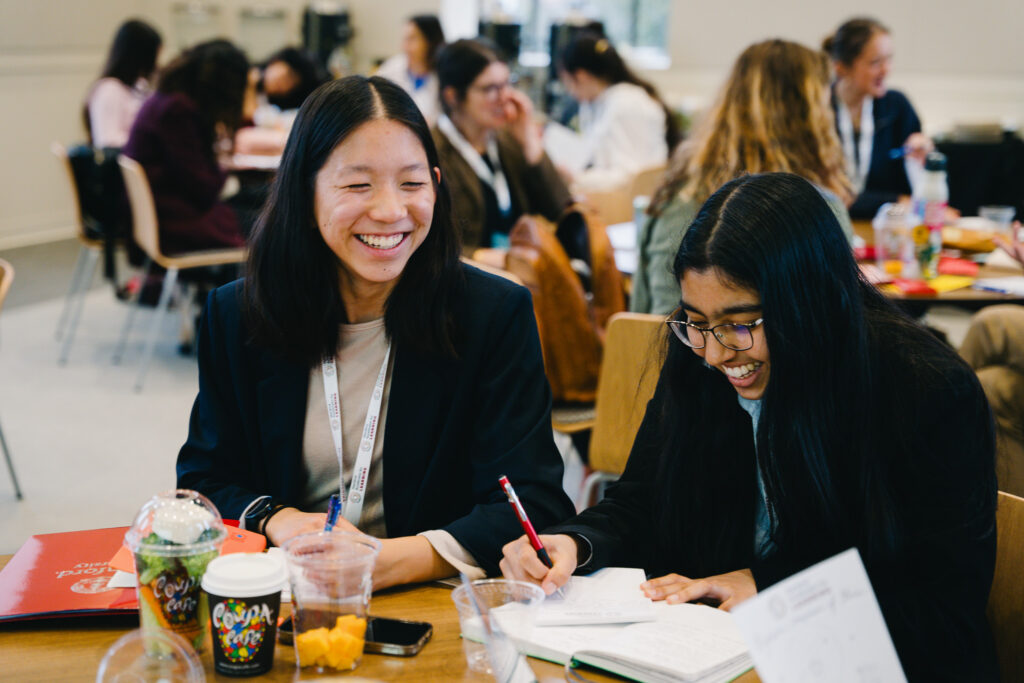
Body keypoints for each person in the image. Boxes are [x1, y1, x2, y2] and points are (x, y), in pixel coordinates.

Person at [501, 172, 998, 681]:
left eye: (741, 324)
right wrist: (575, 543)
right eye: (697, 321)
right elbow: (643, 500)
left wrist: (774, 589)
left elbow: (938, 604)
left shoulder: (926, 389)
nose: (716, 354)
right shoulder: (698, 353)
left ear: (807, 303)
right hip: (716, 657)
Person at [176, 75, 575, 589]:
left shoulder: (493, 314)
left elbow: (531, 500)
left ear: (436, 185)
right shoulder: (239, 315)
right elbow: (204, 481)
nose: (390, 211)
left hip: (438, 600)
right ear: (304, 191)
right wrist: (278, 518)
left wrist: (395, 560)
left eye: (412, 184)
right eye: (357, 185)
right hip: (290, 594)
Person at [633, 39, 854, 315]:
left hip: (659, 341)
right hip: (727, 344)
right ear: (812, 115)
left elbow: (639, 314)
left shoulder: (676, 193)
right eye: (827, 102)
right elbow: (837, 324)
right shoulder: (819, 209)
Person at [433, 38, 571, 251]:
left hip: (518, 265)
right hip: (471, 271)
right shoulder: (432, 152)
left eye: (507, 84)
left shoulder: (507, 140)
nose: (505, 96)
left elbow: (561, 214)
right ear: (452, 96)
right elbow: (431, 244)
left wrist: (531, 143)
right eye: (490, 88)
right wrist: (479, 258)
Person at [122, 40, 258, 254]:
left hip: (168, 213)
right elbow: (204, 188)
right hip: (177, 223)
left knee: (262, 198)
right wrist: (223, 161)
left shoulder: (165, 100)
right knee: (274, 218)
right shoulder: (177, 111)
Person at [824, 17, 932, 219]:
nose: (886, 70)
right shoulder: (818, 111)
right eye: (875, 62)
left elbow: (917, 193)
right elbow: (828, 195)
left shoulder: (897, 107)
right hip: (831, 225)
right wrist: (897, 201)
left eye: (888, 60)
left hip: (889, 226)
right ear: (841, 67)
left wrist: (923, 160)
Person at [557, 32, 680, 191]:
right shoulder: (598, 102)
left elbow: (629, 177)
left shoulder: (625, 104)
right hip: (618, 196)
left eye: (567, 82)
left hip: (630, 199)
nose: (570, 92)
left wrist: (576, 178)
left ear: (581, 76)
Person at [84, 19, 162, 149]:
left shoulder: (139, 87)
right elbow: (108, 142)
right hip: (119, 160)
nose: (156, 65)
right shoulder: (109, 89)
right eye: (154, 57)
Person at [375, 14, 445, 126]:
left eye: (412, 39)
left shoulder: (444, 76)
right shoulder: (392, 68)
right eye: (405, 39)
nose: (405, 46)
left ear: (430, 41)